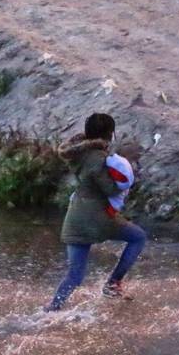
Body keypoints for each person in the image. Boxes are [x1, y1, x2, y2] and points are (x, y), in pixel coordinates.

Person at [47, 113, 147, 311]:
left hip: (75, 216)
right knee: (138, 237)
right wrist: (128, 177)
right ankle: (113, 283)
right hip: (97, 216)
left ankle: (52, 310)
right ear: (110, 133)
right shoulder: (98, 158)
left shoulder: (77, 153)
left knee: (74, 275)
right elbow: (110, 189)